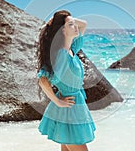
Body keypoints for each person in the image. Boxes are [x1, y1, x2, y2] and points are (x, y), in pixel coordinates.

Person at [36, 10, 96, 151]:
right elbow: (43, 79)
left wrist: (61, 19)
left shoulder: (70, 50)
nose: (75, 26)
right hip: (69, 110)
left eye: (74, 24)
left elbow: (84, 24)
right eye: (71, 25)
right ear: (62, 31)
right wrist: (57, 101)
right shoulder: (61, 55)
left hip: (74, 108)